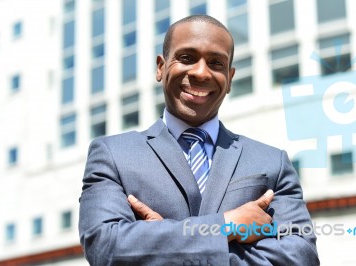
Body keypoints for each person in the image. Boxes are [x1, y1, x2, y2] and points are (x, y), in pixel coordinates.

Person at [79, 15, 319, 265]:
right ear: (161, 67)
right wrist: (226, 226)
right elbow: (105, 247)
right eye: (187, 58)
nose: (201, 73)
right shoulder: (113, 155)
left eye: (216, 63)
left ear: (230, 77)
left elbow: (300, 258)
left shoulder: (272, 163)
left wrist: (165, 247)